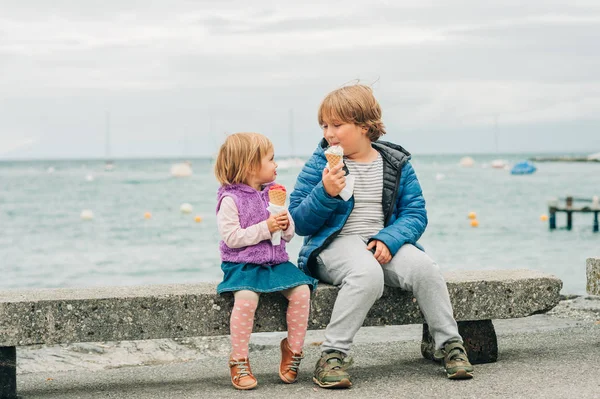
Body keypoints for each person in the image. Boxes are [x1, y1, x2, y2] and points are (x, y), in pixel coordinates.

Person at [289, 85, 474, 389]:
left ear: (364, 125)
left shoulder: (396, 163)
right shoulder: (320, 163)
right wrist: (326, 193)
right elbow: (299, 221)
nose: (329, 133)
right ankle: (332, 354)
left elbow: (415, 213)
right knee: (366, 273)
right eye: (324, 125)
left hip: (380, 241)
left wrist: (390, 238)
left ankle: (449, 344)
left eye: (337, 125)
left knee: (425, 268)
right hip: (332, 246)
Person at [214, 132, 318, 390]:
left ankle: (293, 350)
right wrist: (265, 227)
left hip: (275, 262)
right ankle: (239, 359)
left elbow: (290, 233)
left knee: (302, 291)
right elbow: (232, 238)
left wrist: (284, 226)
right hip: (242, 263)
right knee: (247, 299)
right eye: (271, 159)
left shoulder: (275, 193)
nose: (276, 165)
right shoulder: (231, 199)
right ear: (250, 166)